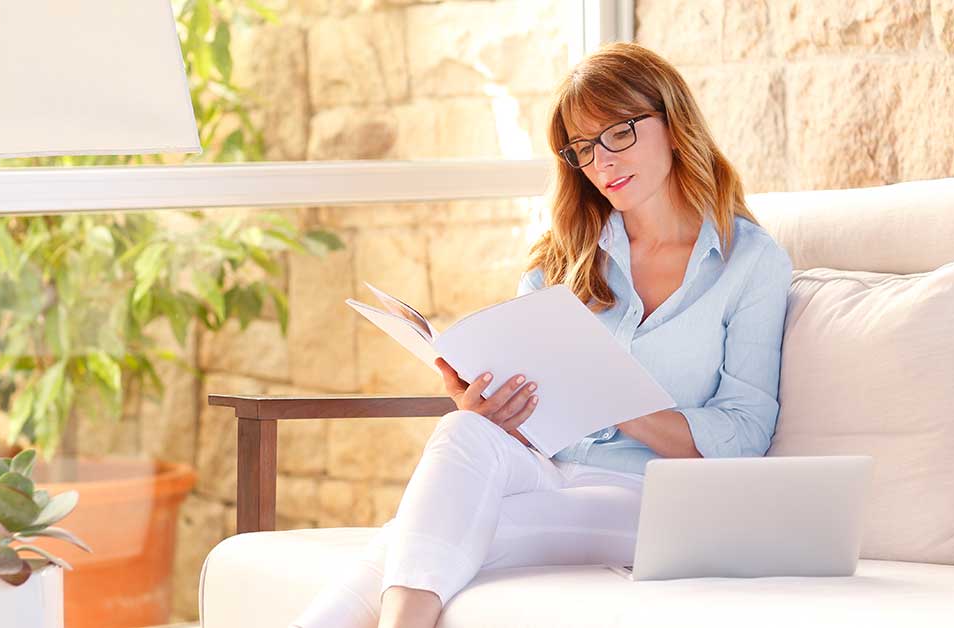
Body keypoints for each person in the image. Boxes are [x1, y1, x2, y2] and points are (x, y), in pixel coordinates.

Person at [289, 41, 793, 628]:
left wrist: (620, 402)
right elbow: (537, 430)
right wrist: (492, 409)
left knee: (435, 530)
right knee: (461, 433)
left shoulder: (750, 262)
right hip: (552, 472)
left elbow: (747, 431)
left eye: (620, 132)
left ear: (674, 124)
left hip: (656, 497)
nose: (602, 161)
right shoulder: (562, 263)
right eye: (583, 147)